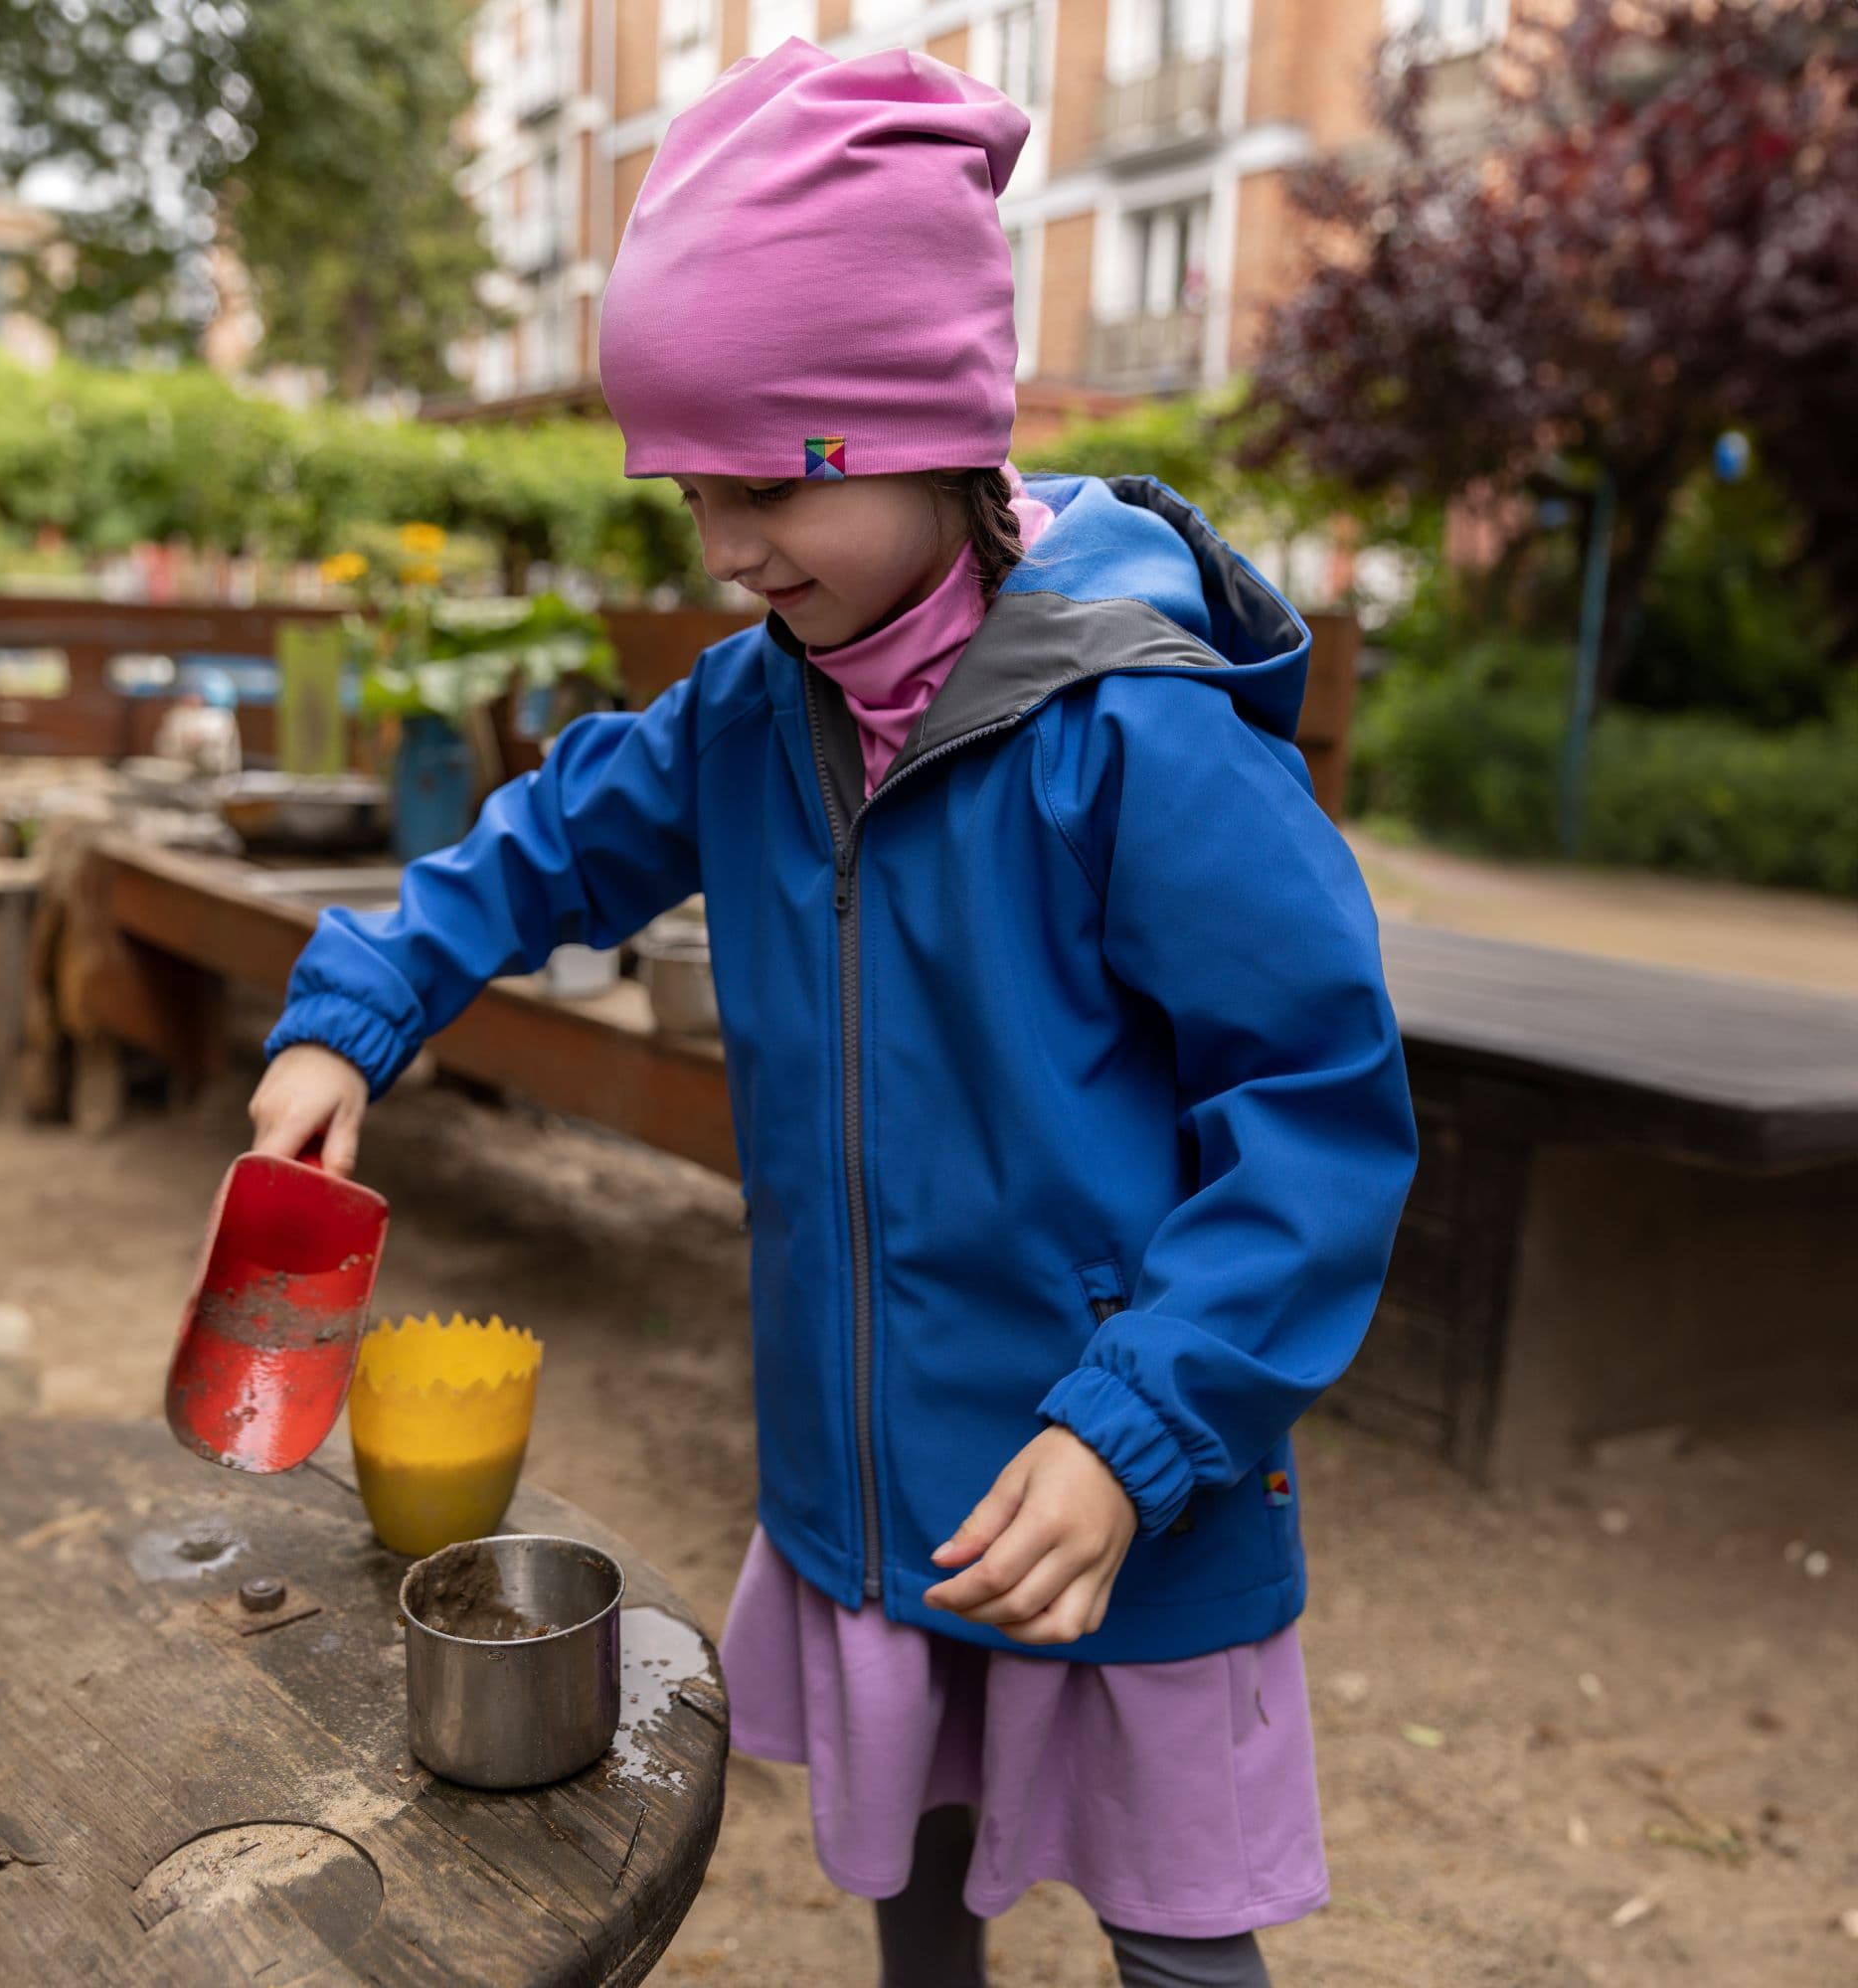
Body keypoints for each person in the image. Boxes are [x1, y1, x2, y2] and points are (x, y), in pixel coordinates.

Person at [250, 38, 1418, 1988]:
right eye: (688, 483)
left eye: (766, 475)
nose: (721, 540)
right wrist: (355, 1004)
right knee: (920, 1874)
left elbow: (1318, 1105)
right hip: (874, 1472)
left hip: (1122, 1474)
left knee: (1176, 1924)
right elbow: (535, 850)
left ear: (934, 420)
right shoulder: (748, 708)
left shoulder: (1136, 736)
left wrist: (1142, 1426)